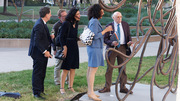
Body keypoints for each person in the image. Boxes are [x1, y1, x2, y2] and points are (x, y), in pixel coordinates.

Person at [98, 11, 133, 94]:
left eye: (121, 17)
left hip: (123, 48)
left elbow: (128, 36)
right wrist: (111, 43)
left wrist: (130, 41)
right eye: (118, 17)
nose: (120, 18)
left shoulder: (125, 25)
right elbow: (105, 39)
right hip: (112, 49)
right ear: (113, 18)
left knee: (123, 69)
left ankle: (123, 87)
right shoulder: (109, 26)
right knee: (109, 69)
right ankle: (107, 87)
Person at [86, 4, 113, 101]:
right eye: (102, 11)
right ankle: (90, 92)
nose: (103, 12)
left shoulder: (93, 21)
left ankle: (90, 92)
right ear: (98, 11)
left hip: (94, 48)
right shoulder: (94, 21)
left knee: (90, 70)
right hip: (94, 48)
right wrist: (105, 30)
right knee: (92, 71)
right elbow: (94, 36)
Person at [28, 6, 52, 100]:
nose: (50, 15)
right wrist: (45, 51)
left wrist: (51, 38)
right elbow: (36, 41)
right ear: (46, 14)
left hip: (42, 54)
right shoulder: (39, 24)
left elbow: (42, 38)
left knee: (42, 72)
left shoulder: (43, 23)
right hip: (38, 53)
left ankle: (41, 90)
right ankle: (36, 93)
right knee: (38, 73)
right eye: (50, 13)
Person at [59, 8, 80, 94]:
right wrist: (64, 47)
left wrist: (80, 38)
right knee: (66, 68)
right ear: (73, 15)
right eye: (78, 14)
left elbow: (73, 36)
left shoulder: (76, 23)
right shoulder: (66, 24)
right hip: (67, 46)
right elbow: (61, 37)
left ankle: (70, 86)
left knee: (73, 67)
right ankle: (61, 87)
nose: (79, 16)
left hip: (74, 46)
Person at [51, 9, 68, 85]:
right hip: (59, 47)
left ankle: (67, 80)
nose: (65, 17)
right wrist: (54, 49)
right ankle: (57, 81)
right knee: (58, 65)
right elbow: (52, 38)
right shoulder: (56, 26)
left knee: (67, 64)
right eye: (63, 16)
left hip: (66, 47)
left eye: (66, 15)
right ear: (59, 17)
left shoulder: (68, 24)